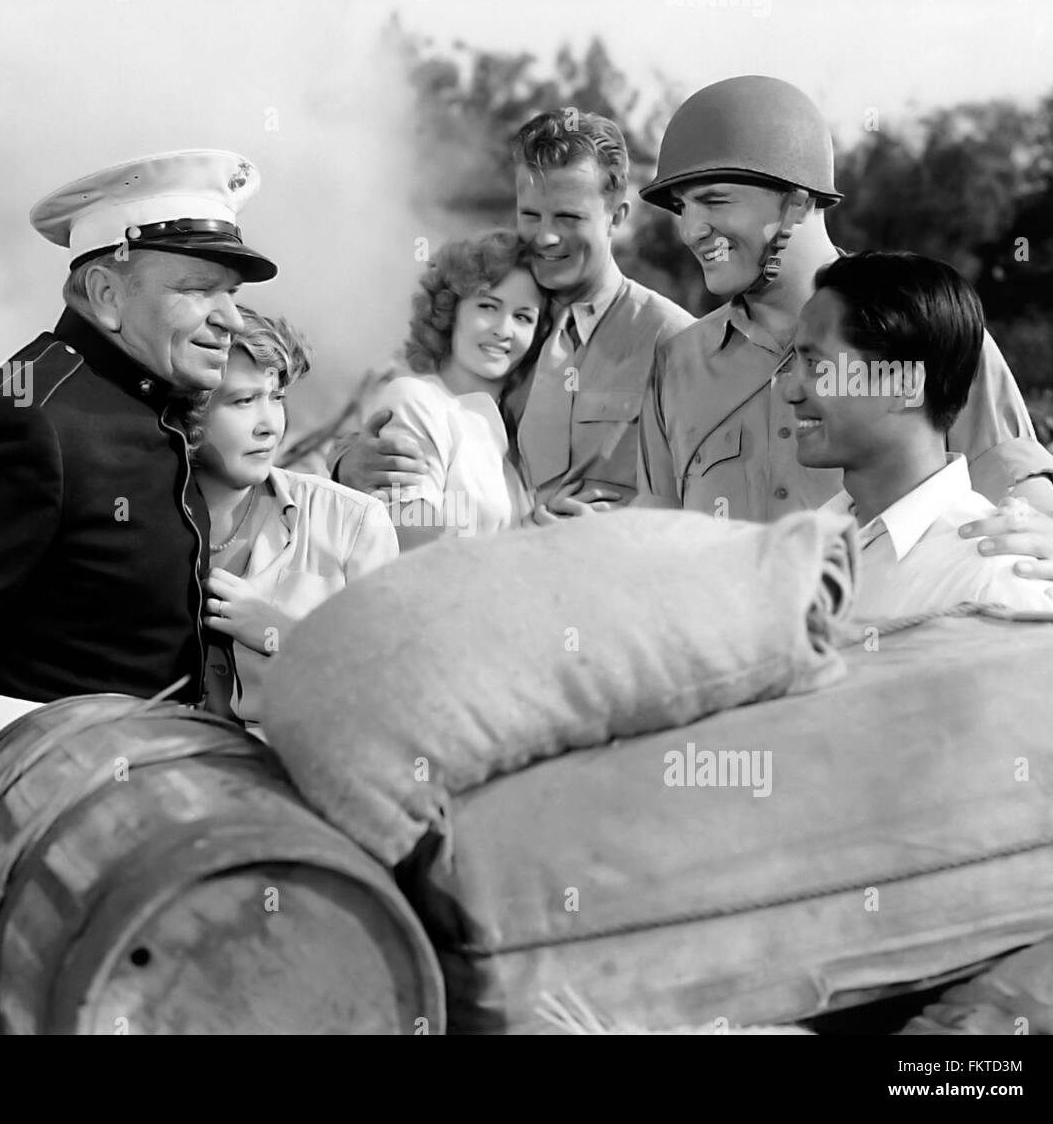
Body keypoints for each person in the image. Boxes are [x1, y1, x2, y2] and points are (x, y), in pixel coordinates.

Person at [0, 149, 278, 888]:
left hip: (136, 823)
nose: (229, 317)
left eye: (229, 291)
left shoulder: (145, 404)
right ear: (104, 292)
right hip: (39, 840)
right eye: (197, 289)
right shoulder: (28, 415)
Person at [635, 75, 1053, 602]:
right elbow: (652, 548)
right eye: (683, 208)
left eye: (714, 201)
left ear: (797, 201)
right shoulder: (677, 363)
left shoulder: (919, 330)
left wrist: (1050, 539)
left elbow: (1022, 510)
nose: (691, 230)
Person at [335, 109, 694, 522]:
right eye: (530, 215)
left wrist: (617, 528)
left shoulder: (672, 339)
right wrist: (349, 464)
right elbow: (411, 402)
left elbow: (704, 489)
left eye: (568, 217)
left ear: (617, 217)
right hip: (484, 571)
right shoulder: (487, 319)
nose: (546, 236)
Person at [788, 251, 1053, 617]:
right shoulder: (809, 549)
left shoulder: (996, 578)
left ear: (904, 383)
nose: (790, 391)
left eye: (815, 365)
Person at [180, 306, 398, 737]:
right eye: (244, 401)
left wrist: (283, 637)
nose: (270, 426)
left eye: (276, 398)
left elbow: (398, 686)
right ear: (188, 415)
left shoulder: (353, 523)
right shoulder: (144, 522)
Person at [372, 230, 548, 548]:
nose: (503, 330)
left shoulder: (511, 436)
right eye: (487, 306)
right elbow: (412, 541)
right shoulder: (416, 400)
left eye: (523, 317)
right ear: (449, 310)